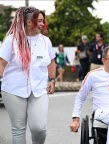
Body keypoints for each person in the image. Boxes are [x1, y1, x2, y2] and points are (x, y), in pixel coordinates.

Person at [0, 6, 56, 144]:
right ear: (29, 22)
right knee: (18, 129)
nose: (43, 24)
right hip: (13, 90)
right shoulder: (11, 40)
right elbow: (1, 64)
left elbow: (51, 62)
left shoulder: (45, 41)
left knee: (39, 128)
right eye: (40, 21)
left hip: (39, 89)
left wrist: (52, 80)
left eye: (43, 21)